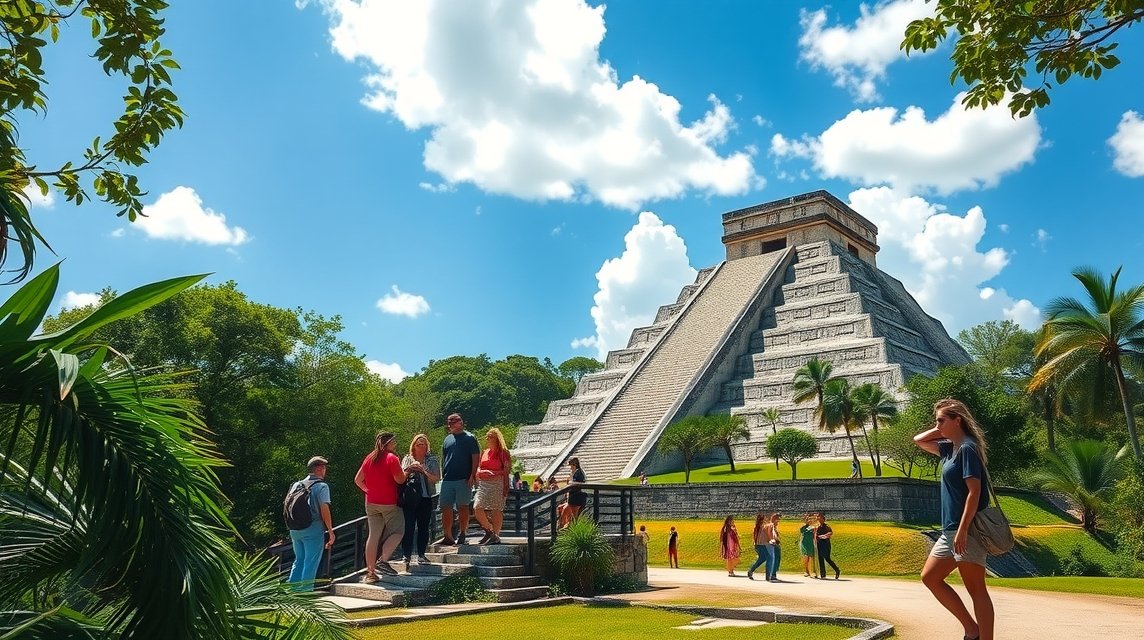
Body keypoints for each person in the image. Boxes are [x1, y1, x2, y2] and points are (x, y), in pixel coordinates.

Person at [914, 398, 995, 640]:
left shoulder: (968, 448)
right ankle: (972, 630)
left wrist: (962, 530)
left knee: (976, 589)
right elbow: (919, 440)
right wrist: (941, 427)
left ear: (957, 420)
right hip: (950, 530)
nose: (937, 425)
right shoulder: (949, 448)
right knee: (930, 577)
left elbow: (975, 492)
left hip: (966, 530)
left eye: (941, 420)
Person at [355, 433, 407, 583]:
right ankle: (383, 561)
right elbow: (400, 479)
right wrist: (407, 472)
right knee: (398, 531)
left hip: (371, 502)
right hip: (389, 502)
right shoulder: (392, 458)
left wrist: (368, 490)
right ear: (389, 443)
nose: (395, 444)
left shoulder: (369, 458)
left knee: (373, 536)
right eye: (394, 441)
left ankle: (371, 573)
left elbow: (358, 480)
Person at [286, 456, 334, 590]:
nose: (325, 471)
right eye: (324, 468)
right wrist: (330, 530)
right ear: (319, 468)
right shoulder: (321, 486)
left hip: (295, 529)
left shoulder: (296, 485)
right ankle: (305, 595)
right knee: (310, 562)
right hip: (313, 528)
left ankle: (292, 592)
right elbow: (324, 508)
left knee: (299, 560)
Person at [400, 433, 441, 570]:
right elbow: (400, 478)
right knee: (408, 527)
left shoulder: (432, 460)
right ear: (414, 445)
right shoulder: (407, 458)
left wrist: (424, 471)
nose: (421, 447)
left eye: (423, 444)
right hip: (410, 497)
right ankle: (406, 555)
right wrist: (411, 469)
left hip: (426, 496)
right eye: (418, 444)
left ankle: (421, 555)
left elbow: (436, 478)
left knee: (424, 527)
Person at [438, 413, 480, 545]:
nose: (456, 424)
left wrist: (472, 475)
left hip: (463, 478)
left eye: (457, 421)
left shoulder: (470, 438)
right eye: (452, 422)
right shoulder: (447, 439)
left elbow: (475, 457)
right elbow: (444, 458)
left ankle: (463, 532)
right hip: (448, 478)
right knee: (446, 507)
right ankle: (448, 535)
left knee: (463, 506)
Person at [473, 428, 512, 545]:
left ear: (496, 438)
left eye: (490, 437)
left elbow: (506, 470)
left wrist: (505, 485)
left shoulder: (503, 453)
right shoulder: (485, 452)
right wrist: (480, 472)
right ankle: (490, 531)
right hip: (484, 483)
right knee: (477, 507)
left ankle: (496, 534)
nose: (487, 439)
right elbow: (478, 466)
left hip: (497, 482)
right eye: (487, 436)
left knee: (496, 509)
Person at [559, 457, 587, 527]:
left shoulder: (579, 473)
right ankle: (562, 526)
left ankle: (566, 527)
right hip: (573, 498)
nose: (570, 468)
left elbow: (578, 485)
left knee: (573, 516)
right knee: (561, 508)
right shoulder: (575, 472)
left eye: (571, 466)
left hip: (576, 498)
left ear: (574, 465)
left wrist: (570, 482)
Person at [816, 512, 840, 580]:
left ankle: (837, 570)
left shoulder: (826, 526)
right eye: (818, 517)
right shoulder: (818, 527)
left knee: (827, 558)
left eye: (819, 517)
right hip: (819, 544)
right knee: (820, 559)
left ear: (823, 519)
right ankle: (823, 574)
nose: (818, 518)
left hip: (825, 544)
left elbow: (830, 533)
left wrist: (823, 536)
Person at [746, 512, 770, 581]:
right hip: (760, 545)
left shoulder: (760, 527)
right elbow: (757, 537)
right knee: (766, 558)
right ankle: (767, 575)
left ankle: (751, 570)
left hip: (762, 545)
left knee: (763, 559)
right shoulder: (759, 527)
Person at [799, 513, 817, 578]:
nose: (809, 520)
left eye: (810, 519)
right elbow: (802, 532)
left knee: (811, 557)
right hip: (804, 543)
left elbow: (815, 535)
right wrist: (810, 527)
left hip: (811, 543)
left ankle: (812, 571)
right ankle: (805, 571)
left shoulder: (814, 527)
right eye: (808, 519)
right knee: (806, 557)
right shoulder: (803, 527)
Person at [766, 512, 783, 582]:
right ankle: (772, 574)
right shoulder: (771, 525)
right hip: (773, 545)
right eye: (778, 519)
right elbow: (770, 535)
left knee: (776, 559)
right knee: (775, 559)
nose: (778, 521)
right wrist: (774, 541)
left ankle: (773, 574)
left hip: (774, 544)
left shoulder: (773, 526)